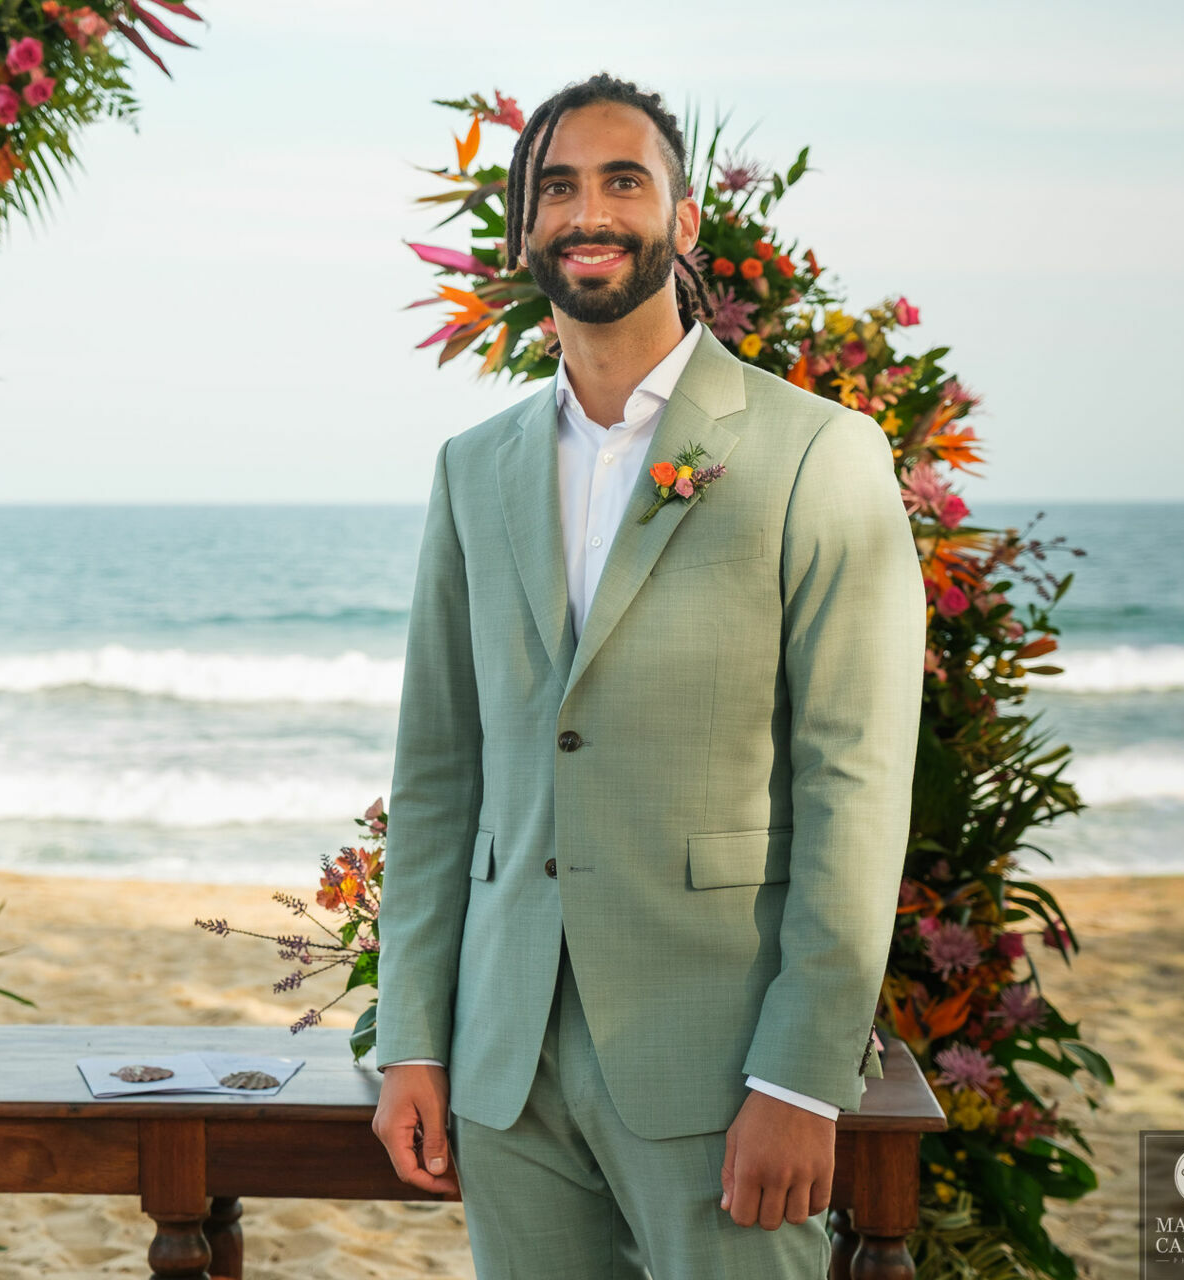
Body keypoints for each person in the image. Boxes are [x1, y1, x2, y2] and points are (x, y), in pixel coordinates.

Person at [369, 72, 925, 1277]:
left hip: (721, 1063)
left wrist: (800, 1072)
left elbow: (858, 784)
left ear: (680, 222)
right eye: (558, 187)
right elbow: (436, 772)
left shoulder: (816, 452)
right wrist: (410, 1037)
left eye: (626, 181)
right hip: (506, 1070)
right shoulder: (473, 469)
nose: (589, 211)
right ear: (526, 230)